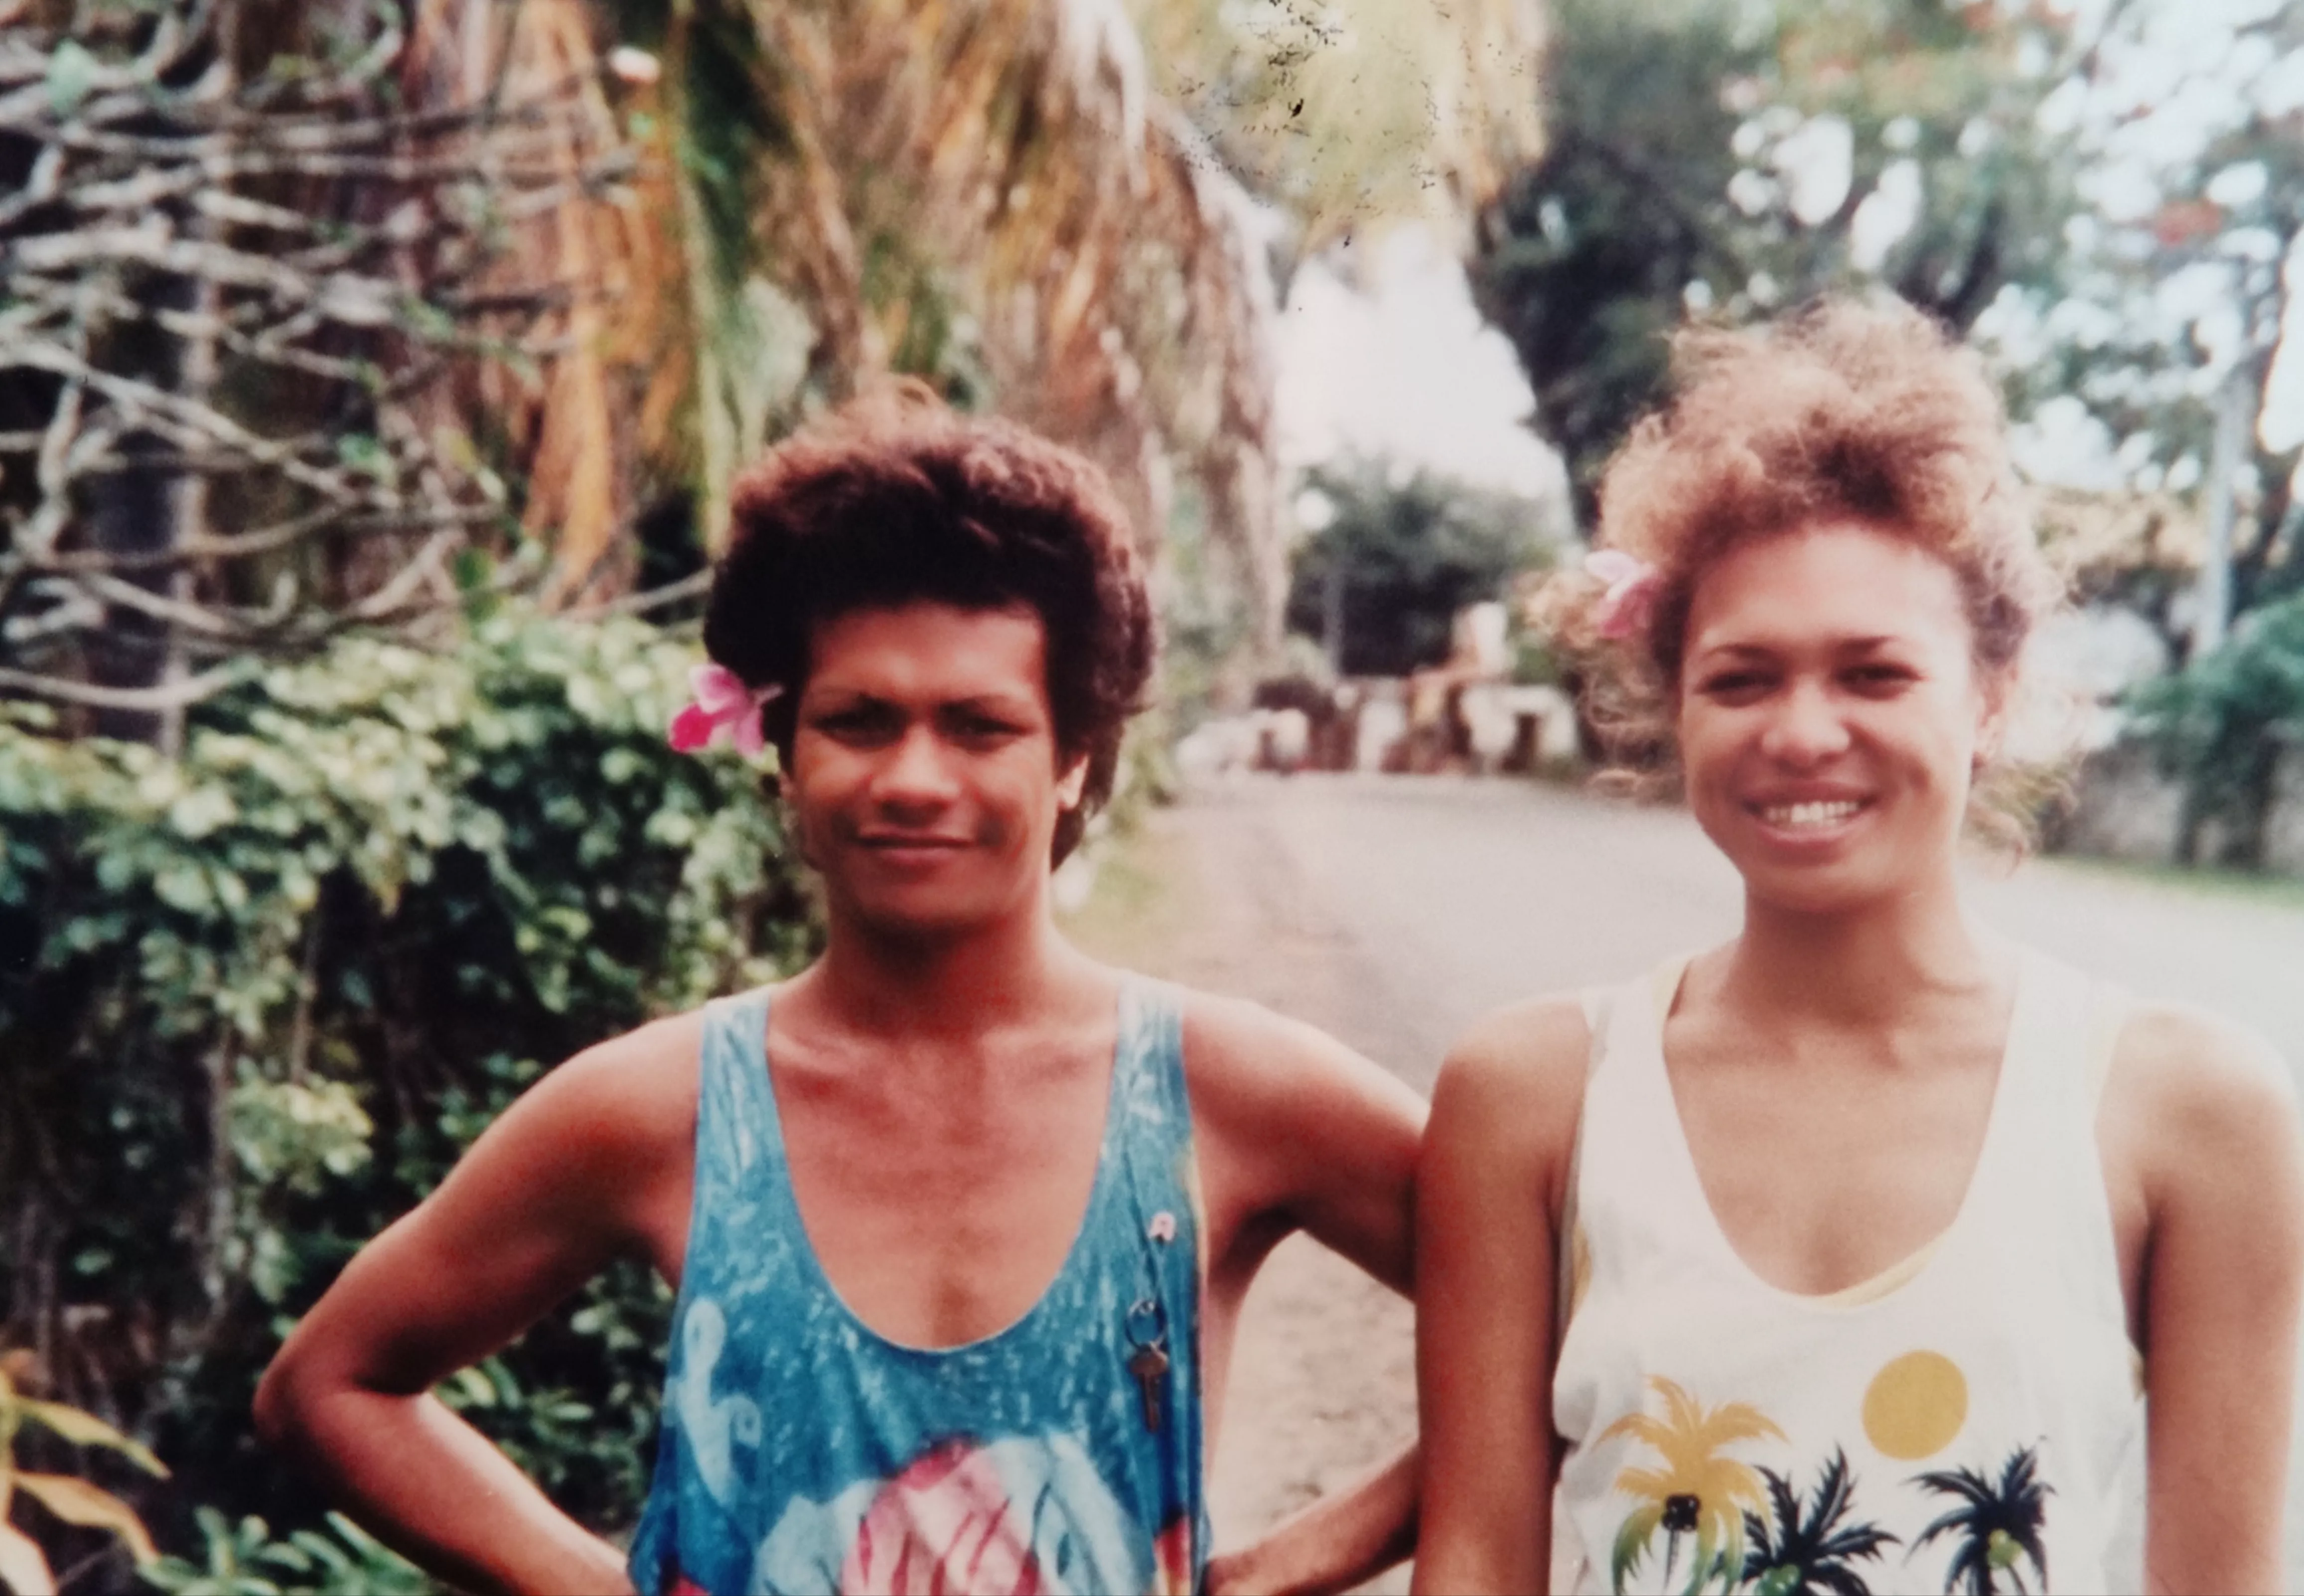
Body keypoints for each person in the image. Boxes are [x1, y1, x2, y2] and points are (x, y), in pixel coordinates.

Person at [255, 389, 1426, 1596]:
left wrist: (1273, 1574)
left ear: (1074, 762)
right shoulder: (664, 1111)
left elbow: (1569, 1306)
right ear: (783, 756)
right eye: (858, 721)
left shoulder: (1226, 1093)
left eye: (980, 726)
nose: (913, 779)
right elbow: (329, 1385)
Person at [1411, 300, 2304, 1596]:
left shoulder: (2190, 1110)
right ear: (1672, 705)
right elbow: (1478, 1558)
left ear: (1992, 697)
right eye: (1743, 677)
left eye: (1875, 674)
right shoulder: (1535, 1095)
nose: (1804, 731)